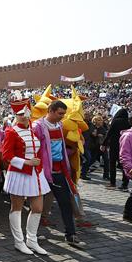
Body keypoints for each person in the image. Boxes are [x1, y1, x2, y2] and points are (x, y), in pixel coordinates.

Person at [2, 98, 51, 255]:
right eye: (20, 114)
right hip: (19, 173)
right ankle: (19, 241)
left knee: (37, 208)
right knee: (16, 209)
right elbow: (7, 155)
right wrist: (27, 162)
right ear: (15, 115)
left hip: (36, 174)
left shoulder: (33, 129)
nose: (24, 116)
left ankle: (32, 240)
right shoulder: (11, 131)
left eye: (26, 112)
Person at [33, 100, 83, 247]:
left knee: (65, 202)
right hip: (42, 171)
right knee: (36, 206)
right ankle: (32, 235)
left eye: (64, 114)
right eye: (60, 113)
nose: (63, 116)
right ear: (51, 110)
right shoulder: (37, 126)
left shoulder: (60, 125)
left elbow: (59, 147)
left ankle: (71, 233)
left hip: (59, 170)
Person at [103, 108, 131, 189]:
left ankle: (112, 183)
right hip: (125, 145)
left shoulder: (116, 121)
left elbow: (110, 132)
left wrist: (104, 143)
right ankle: (125, 184)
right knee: (123, 164)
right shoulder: (129, 122)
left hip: (114, 144)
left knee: (112, 164)